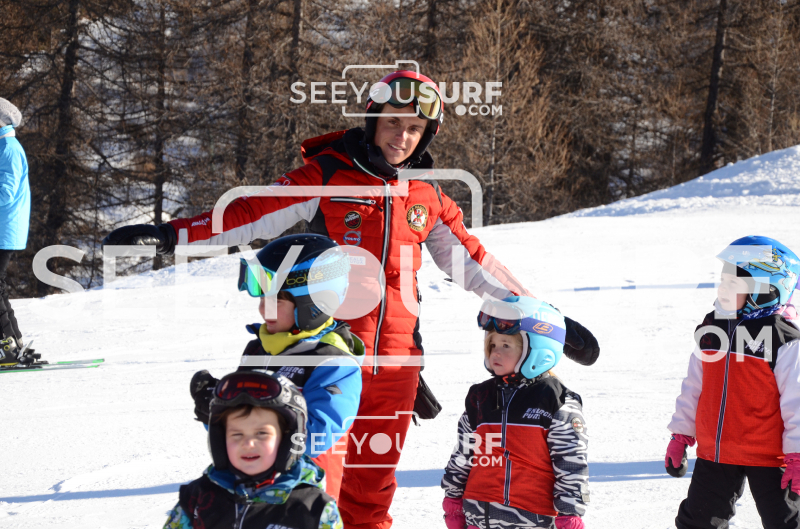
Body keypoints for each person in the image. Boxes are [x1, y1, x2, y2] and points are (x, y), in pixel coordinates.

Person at [104, 70, 600, 529]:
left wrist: (545, 317)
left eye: (414, 128)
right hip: (326, 361)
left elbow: (474, 264)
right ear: (372, 120)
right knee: (311, 489)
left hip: (397, 367)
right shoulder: (328, 175)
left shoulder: (427, 197)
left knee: (371, 496)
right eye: (393, 123)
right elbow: (251, 211)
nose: (401, 136)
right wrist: (173, 235)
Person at [189, 233, 364, 500]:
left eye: (276, 301)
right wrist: (216, 410)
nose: (264, 310)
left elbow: (317, 437)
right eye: (262, 300)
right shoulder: (258, 350)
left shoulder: (333, 362)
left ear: (314, 304)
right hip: (248, 488)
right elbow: (238, 429)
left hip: (302, 499)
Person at [666, 235, 800, 529]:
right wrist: (681, 435)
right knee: (697, 523)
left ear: (766, 290)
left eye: (734, 283)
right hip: (717, 453)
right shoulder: (713, 327)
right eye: (723, 280)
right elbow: (694, 386)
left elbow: (797, 402)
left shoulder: (784, 339)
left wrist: (797, 455)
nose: (723, 288)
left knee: (786, 523)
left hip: (770, 456)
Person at [441, 296, 589, 529]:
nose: (495, 353)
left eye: (506, 346)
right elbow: (463, 454)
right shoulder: (480, 398)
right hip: (478, 517)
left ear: (538, 350)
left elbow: (570, 464)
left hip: (532, 520)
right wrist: (453, 499)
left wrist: (569, 513)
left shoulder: (555, 402)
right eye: (492, 345)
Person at [164, 370, 343, 529]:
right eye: (237, 434)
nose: (248, 443)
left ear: (288, 439)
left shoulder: (313, 509)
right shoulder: (197, 500)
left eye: (261, 433)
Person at [0, 97, 34, 365]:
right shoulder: (5, 146)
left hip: (5, 229)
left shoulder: (9, 149)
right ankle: (15, 342)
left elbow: (6, 192)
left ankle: (7, 346)